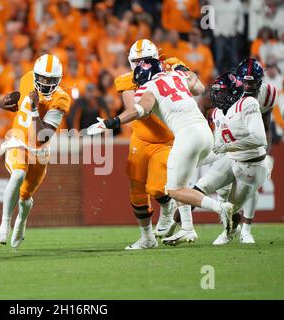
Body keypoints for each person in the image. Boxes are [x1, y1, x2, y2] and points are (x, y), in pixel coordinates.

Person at [87, 58, 235, 245]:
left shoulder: (149, 87)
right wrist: (184, 69)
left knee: (174, 190)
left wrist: (111, 122)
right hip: (205, 133)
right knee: (180, 180)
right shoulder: (177, 75)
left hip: (186, 136)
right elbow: (199, 87)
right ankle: (187, 229)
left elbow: (140, 110)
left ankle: (221, 208)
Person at [0, 54, 71, 248]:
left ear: (58, 80)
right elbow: (21, 99)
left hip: (39, 149)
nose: (45, 83)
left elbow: (42, 136)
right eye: (42, 78)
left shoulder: (60, 99)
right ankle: (5, 224)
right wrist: (11, 103)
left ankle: (21, 221)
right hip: (18, 140)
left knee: (25, 198)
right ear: (36, 75)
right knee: (18, 173)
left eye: (51, 80)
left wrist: (35, 108)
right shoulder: (27, 78)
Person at [111, 39, 179, 250]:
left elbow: (193, 87)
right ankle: (147, 238)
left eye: (145, 61)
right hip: (140, 138)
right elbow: (136, 111)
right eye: (137, 61)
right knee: (137, 190)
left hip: (166, 139)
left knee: (157, 188)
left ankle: (168, 207)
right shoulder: (126, 80)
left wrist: (178, 70)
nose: (142, 65)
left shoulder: (170, 69)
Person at [195, 72, 267, 244]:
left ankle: (231, 232)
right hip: (231, 158)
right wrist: (196, 161)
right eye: (216, 92)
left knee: (232, 208)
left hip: (251, 165)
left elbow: (259, 139)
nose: (217, 96)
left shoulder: (248, 103)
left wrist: (228, 147)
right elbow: (217, 149)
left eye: (221, 92)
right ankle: (180, 228)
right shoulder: (217, 113)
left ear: (233, 92)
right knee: (199, 187)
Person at [211, 58, 277, 244]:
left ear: (260, 81)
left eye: (252, 81)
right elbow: (220, 121)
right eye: (244, 81)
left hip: (253, 144)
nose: (248, 86)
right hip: (229, 142)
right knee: (223, 192)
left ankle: (246, 230)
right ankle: (230, 227)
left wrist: (265, 153)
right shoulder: (230, 92)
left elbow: (266, 126)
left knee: (251, 183)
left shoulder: (268, 94)